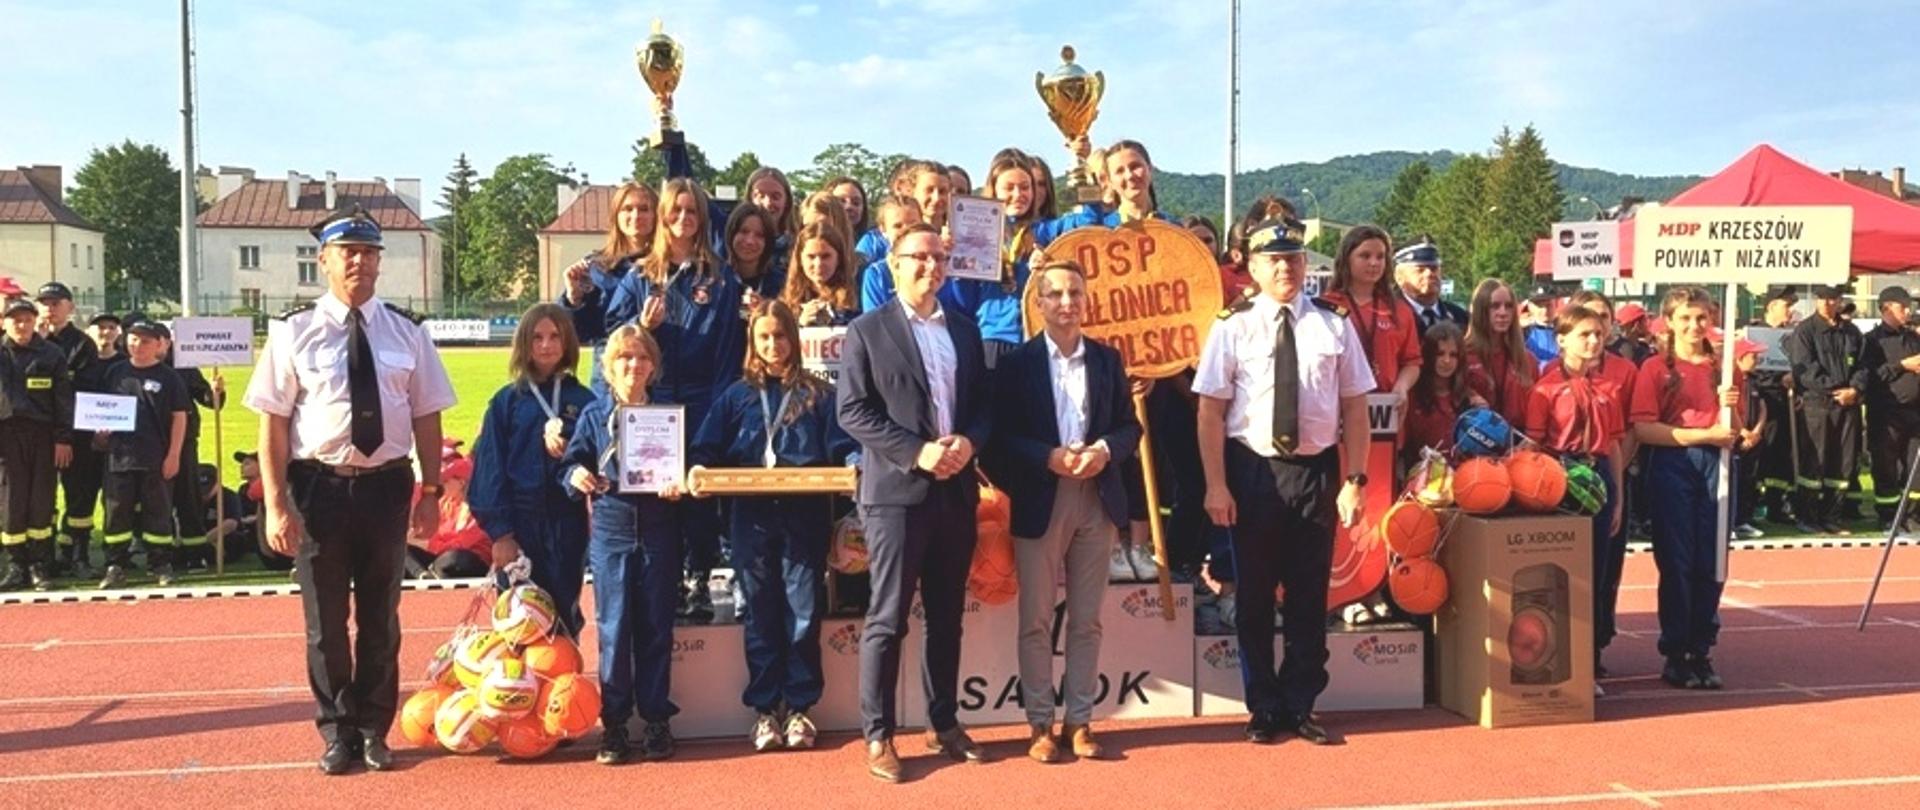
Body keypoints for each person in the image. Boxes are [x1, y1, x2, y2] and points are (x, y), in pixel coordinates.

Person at [243, 207, 456, 775]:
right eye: (348, 252)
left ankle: (372, 729)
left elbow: (427, 417)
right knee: (326, 622)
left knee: (382, 617)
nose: (359, 261)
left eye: (369, 252)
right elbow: (272, 426)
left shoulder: (407, 332)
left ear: (381, 262)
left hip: (386, 488)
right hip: (319, 489)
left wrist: (432, 491)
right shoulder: (293, 331)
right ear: (325, 260)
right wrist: (276, 503)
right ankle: (336, 730)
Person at [1194, 217, 1375, 746]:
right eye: (1272, 259)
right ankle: (1263, 706)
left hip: (1317, 473)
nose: (1284, 267)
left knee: (1307, 595)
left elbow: (1356, 409)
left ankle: (1300, 704)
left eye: (1293, 257)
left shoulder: (1334, 324)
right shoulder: (1232, 325)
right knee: (1252, 598)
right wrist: (1215, 485)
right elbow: (1209, 413)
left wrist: (1356, 479)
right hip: (1253, 471)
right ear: (1250, 267)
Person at [838, 223, 993, 782]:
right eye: (918, 257)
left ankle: (943, 723)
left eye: (938, 258)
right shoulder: (866, 330)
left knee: (947, 616)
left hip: (956, 490)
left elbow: (983, 407)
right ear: (894, 264)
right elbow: (852, 411)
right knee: (888, 619)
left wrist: (970, 441)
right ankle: (878, 735)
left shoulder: (966, 330)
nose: (930, 266)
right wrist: (917, 452)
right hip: (896, 496)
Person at [986, 259, 1139, 764]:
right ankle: (1038, 726)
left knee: (1087, 620)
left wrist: (1104, 451)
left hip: (1096, 498)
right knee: (1035, 619)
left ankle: (1079, 721)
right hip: (1040, 498)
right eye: (1056, 294)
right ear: (1040, 303)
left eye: (1075, 292)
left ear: (1085, 299)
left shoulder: (1107, 360)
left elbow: (1128, 428)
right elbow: (999, 438)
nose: (1067, 302)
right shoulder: (1015, 365)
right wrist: (1046, 456)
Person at [690, 299, 854, 753]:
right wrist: (698, 468)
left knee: (804, 609)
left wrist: (855, 462)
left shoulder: (818, 394)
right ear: (753, 342)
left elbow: (842, 446)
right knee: (760, 610)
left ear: (794, 341)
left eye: (780, 336)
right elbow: (706, 447)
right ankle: (765, 710)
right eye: (763, 337)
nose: (773, 345)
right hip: (750, 516)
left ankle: (800, 707)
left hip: (805, 515)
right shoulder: (736, 395)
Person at [611, 177, 742, 621]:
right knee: (658, 497)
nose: (684, 219)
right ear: (663, 217)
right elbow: (614, 342)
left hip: (705, 400)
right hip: (655, 406)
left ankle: (701, 578)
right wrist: (641, 326)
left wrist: (721, 409)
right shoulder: (641, 275)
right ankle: (663, 579)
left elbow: (728, 348)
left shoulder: (719, 278)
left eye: (692, 212)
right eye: (676, 211)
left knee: (699, 492)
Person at [559, 324, 687, 765]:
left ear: (654, 366)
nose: (633, 366)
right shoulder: (595, 416)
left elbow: (685, 470)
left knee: (655, 627)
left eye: (641, 358)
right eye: (624, 359)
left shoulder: (668, 418)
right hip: (611, 529)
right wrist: (575, 474)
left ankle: (655, 719)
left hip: (659, 527)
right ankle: (614, 724)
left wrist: (680, 485)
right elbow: (574, 462)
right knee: (613, 629)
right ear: (609, 367)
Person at [1630, 286, 1739, 690]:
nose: (1695, 326)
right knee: (1677, 559)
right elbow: (1644, 428)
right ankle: (1676, 651)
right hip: (1676, 463)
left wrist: (1730, 404)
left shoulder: (1723, 368)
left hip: (1719, 464)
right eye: (1686, 319)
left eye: (1701, 318)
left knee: (1712, 559)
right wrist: (1704, 435)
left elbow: (1736, 431)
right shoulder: (1656, 368)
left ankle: (1701, 648)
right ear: (1670, 323)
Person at [469, 303, 596, 638]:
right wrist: (501, 533)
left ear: (567, 342)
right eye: (537, 337)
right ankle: (519, 687)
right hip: (519, 524)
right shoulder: (506, 402)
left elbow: (598, 459)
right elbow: (489, 469)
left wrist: (573, 452)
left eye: (554, 336)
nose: (546, 345)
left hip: (566, 523)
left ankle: (562, 687)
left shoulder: (584, 401)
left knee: (563, 615)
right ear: (524, 344)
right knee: (517, 620)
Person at [1523, 304, 1627, 691]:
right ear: (1561, 339)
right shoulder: (1545, 388)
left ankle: (1589, 660)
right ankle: (1553, 655)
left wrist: (1616, 498)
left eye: (1599, 334)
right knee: (1560, 571)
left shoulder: (1609, 388)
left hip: (1597, 472)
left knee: (1595, 572)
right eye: (1584, 334)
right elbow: (1535, 445)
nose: (1594, 341)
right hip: (1560, 473)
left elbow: (1614, 445)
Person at [96, 318, 187, 588]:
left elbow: (179, 417)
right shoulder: (115, 372)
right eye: (133, 339)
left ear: (159, 345)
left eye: (145, 340)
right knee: (116, 512)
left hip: (155, 457)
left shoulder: (169, 376)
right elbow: (102, 409)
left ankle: (160, 563)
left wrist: (174, 455)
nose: (138, 345)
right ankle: (116, 564)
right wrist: (100, 431)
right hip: (119, 457)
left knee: (157, 511)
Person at [0, 297, 75, 591]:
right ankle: (16, 565)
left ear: (35, 321)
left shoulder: (51, 354)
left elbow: (63, 401)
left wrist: (63, 439)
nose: (22, 325)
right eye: (15, 320)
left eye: (27, 319)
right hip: (6, 436)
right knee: (12, 501)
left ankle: (39, 565)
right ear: (4, 322)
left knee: (42, 501)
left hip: (44, 436)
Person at [1785, 284, 1868, 536]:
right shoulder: (1805, 330)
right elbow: (1805, 369)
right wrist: (1834, 389)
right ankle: (1807, 517)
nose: (1826, 304)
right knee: (1815, 461)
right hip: (1817, 404)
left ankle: (1832, 516)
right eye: (1822, 299)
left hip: (1848, 405)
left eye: (1832, 299)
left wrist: (1854, 390)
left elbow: (1864, 366)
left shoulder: (1851, 332)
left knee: (1842, 463)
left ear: (1840, 301)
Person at [561, 182, 658, 393]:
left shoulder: (669, 265)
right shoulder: (596, 267)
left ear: (656, 214)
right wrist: (573, 298)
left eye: (644, 209)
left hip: (658, 378)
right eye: (628, 208)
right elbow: (581, 334)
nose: (636, 215)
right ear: (616, 215)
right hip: (609, 379)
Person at [35, 282, 99, 578]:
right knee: (40, 497)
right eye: (45, 302)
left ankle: (78, 555)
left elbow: (83, 388)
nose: (50, 308)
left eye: (56, 302)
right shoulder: (28, 343)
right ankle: (43, 558)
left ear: (70, 307)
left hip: (76, 433)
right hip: (38, 433)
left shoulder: (82, 344)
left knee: (79, 495)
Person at [57, 310, 125, 581]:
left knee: (115, 500)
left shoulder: (124, 364)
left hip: (116, 442)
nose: (105, 332)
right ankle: (73, 554)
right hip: (81, 441)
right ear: (89, 331)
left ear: (118, 333)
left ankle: (116, 556)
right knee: (78, 499)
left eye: (111, 327)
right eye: (100, 327)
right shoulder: (78, 361)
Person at [1321, 225, 1420, 399]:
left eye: (1380, 257)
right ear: (1347, 259)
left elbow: (1412, 362)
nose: (1374, 263)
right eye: (1365, 256)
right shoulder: (1325, 307)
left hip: (1387, 409)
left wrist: (1402, 386)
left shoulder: (1400, 311)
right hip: (1340, 407)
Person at [1858, 286, 1920, 531]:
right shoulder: (1872, 341)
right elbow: (1871, 375)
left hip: (1914, 412)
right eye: (1901, 306)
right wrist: (1902, 365)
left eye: (1908, 306)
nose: (1907, 310)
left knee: (1915, 466)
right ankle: (1888, 516)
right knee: (1886, 466)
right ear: (1885, 308)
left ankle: (1912, 515)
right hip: (1886, 412)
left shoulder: (1913, 338)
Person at [1747, 286, 1798, 524]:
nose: (1790, 311)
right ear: (1771, 307)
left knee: (1781, 454)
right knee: (1763, 454)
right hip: (1762, 401)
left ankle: (1777, 505)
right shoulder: (1755, 333)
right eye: (1786, 305)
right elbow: (1752, 371)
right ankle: (1755, 503)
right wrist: (1777, 379)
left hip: (1786, 403)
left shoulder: (1793, 335)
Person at [1402, 322, 1482, 467]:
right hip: (1421, 477)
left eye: (1453, 355)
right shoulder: (1411, 396)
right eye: (1440, 354)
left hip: (1464, 476)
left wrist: (1483, 416)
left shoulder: (1470, 397)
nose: (1447, 361)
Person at [1463, 279, 1533, 424]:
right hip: (1474, 440)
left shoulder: (1527, 359)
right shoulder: (1460, 356)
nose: (1503, 313)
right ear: (1480, 310)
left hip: (1519, 441)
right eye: (1494, 306)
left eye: (1509, 306)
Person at [404, 456, 489, 578]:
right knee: (402, 550)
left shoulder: (480, 508)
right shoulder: (444, 503)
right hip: (441, 556)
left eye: (446, 481)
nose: (442, 485)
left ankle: (433, 574)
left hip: (469, 560)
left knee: (454, 558)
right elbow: (436, 535)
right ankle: (423, 575)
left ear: (461, 482)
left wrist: (426, 544)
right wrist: (417, 538)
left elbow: (462, 545)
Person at [782, 222, 862, 327]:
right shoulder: (788, 299)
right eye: (811, 257)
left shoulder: (858, 293)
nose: (818, 264)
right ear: (800, 259)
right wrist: (800, 323)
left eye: (826, 256)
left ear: (838, 258)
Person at [858, 195, 926, 312]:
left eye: (913, 224)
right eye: (897, 226)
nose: (905, 230)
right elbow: (873, 323)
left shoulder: (934, 266)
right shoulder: (877, 274)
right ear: (883, 229)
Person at [723, 202, 784, 317]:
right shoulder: (714, 280)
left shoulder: (781, 284)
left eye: (759, 235)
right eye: (744, 231)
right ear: (731, 234)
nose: (750, 241)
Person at [1393, 239, 1468, 331]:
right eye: (1420, 270)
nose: (1429, 274)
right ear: (1399, 277)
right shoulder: (1389, 317)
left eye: (1434, 268)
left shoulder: (1460, 318)